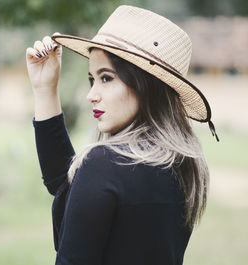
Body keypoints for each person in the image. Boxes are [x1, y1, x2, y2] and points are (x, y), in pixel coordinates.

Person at [25, 5, 218, 265]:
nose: (91, 94)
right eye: (92, 79)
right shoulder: (183, 166)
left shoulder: (105, 164)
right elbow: (69, 189)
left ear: (145, 84)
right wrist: (45, 89)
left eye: (106, 78)